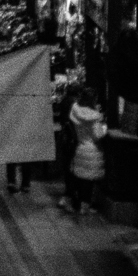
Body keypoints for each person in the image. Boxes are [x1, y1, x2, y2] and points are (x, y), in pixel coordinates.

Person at [60, 84, 107, 216]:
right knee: (88, 182)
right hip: (92, 150)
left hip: (80, 147)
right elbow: (97, 136)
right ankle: (84, 206)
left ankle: (77, 202)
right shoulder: (94, 117)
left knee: (80, 179)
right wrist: (104, 128)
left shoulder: (75, 111)